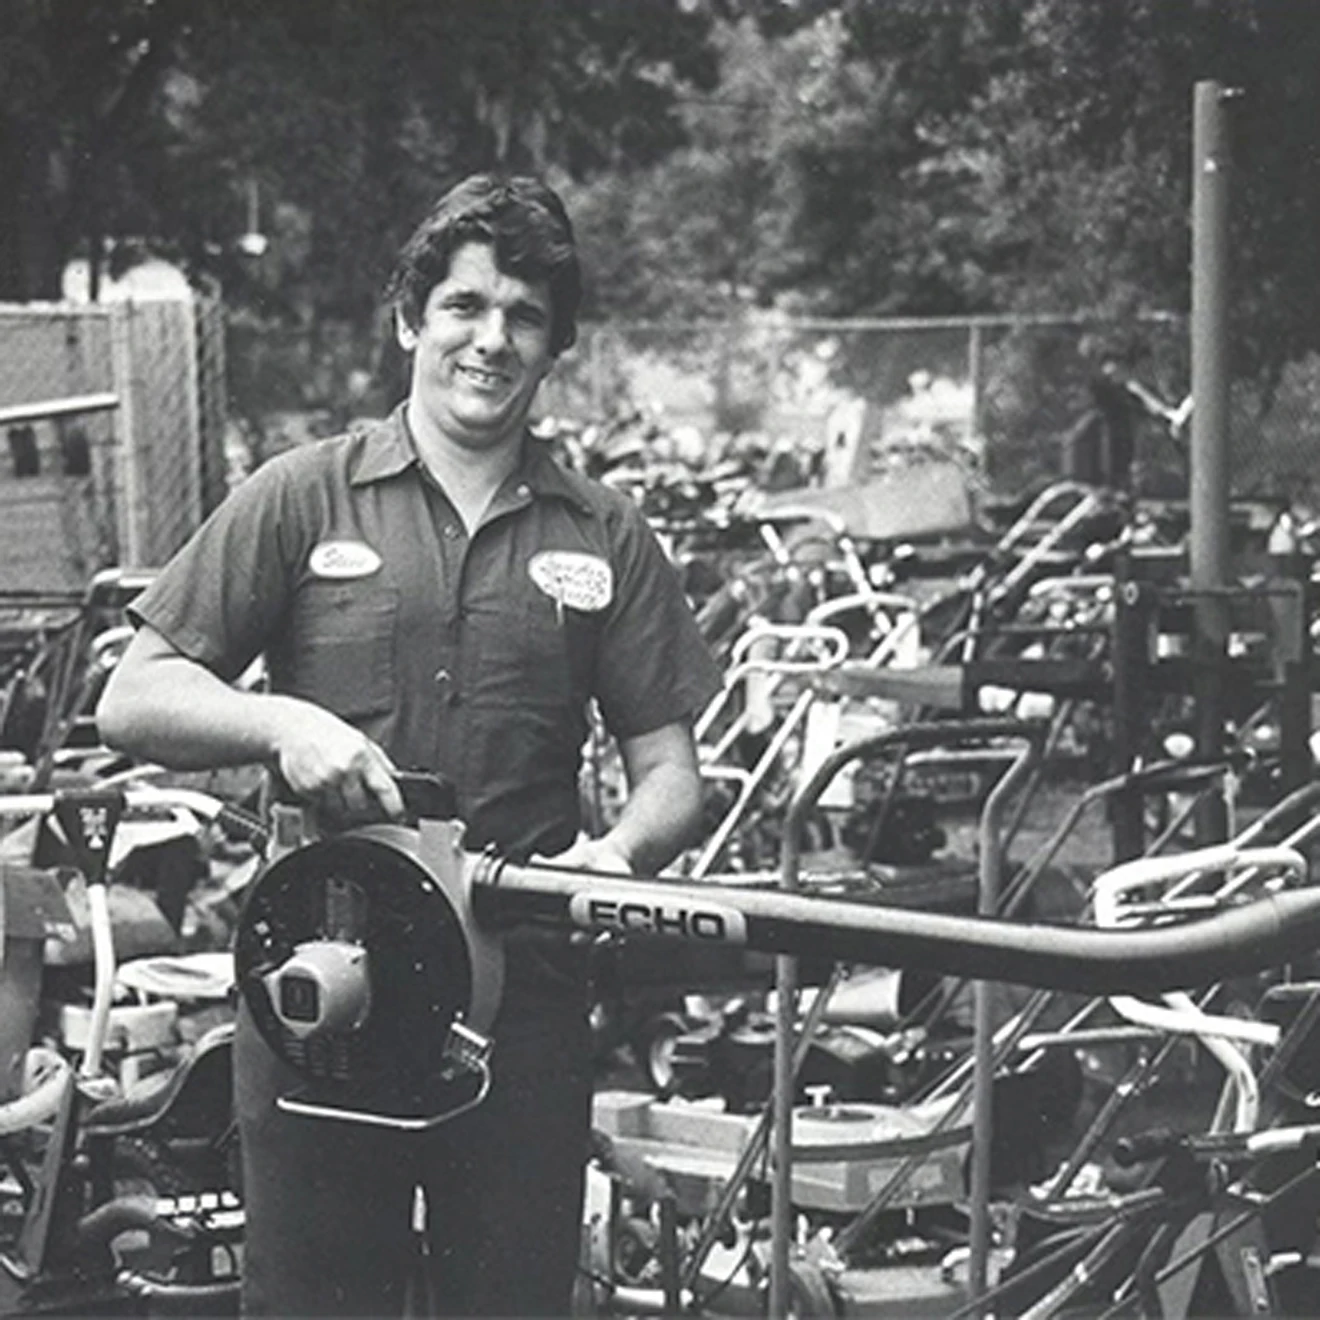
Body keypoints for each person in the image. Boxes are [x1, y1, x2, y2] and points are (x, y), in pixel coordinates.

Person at [96, 173, 722, 1317]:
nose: (491, 339)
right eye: (464, 307)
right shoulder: (300, 499)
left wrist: (624, 854)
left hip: (520, 1002)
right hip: (320, 1005)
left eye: (524, 316)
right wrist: (281, 722)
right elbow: (133, 699)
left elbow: (672, 774)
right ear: (410, 320)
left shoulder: (606, 534)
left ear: (554, 347)